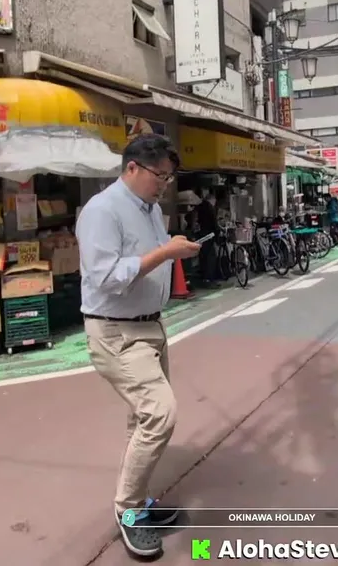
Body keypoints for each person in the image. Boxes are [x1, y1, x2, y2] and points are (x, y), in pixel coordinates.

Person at [77, 134, 202, 560]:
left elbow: (151, 260)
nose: (164, 184)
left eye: (168, 177)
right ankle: (128, 511)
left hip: (149, 328)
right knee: (160, 413)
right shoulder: (102, 210)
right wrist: (166, 253)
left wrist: (170, 250)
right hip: (117, 332)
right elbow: (105, 277)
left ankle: (140, 501)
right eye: (159, 176)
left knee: (142, 420)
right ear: (132, 167)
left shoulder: (148, 210)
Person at [193, 190, 219, 283]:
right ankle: (210, 277)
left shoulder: (199, 206)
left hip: (200, 234)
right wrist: (217, 234)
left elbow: (192, 218)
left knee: (203, 255)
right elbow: (214, 222)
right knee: (210, 256)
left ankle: (204, 277)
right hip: (209, 234)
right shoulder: (209, 207)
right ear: (212, 200)